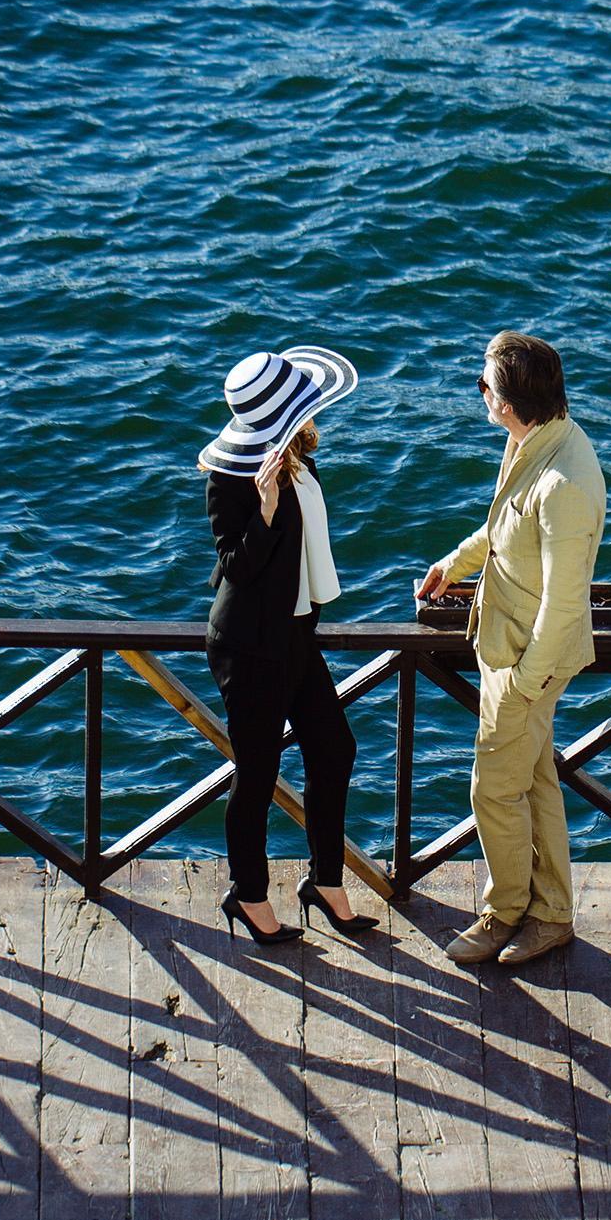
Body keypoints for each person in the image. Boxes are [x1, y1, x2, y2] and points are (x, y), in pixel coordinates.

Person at [414, 331, 605, 968]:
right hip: (512, 645)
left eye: (485, 385)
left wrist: (524, 683)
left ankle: (504, 912)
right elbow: (502, 529)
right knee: (534, 780)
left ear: (511, 400)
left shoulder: (563, 484)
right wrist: (453, 564)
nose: (480, 394)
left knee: (492, 791)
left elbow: (565, 600)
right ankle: (551, 914)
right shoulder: (535, 440)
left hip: (527, 658)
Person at [201, 346, 375, 946]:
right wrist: (267, 513)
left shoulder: (299, 457)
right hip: (249, 646)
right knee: (256, 775)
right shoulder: (232, 480)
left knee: (335, 749)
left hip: (295, 634)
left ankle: (324, 882)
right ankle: (248, 895)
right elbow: (235, 568)